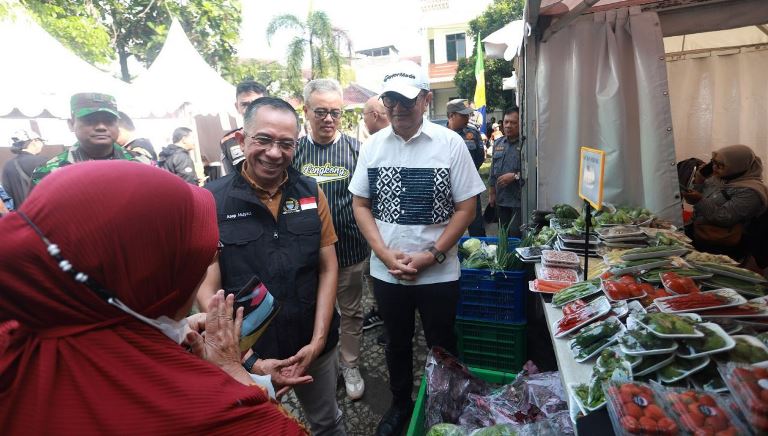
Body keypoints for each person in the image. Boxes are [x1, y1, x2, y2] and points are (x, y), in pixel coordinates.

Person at [0, 161, 307, 434]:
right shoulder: (223, 417)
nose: (211, 259)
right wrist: (233, 373)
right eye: (198, 257)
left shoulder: (17, 336)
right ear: (149, 276)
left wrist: (167, 335)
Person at [349, 61, 485, 436]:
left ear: (425, 100)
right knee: (396, 343)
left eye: (406, 100)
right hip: (388, 272)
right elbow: (360, 204)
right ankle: (400, 404)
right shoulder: (372, 147)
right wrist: (382, 253)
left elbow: (466, 208)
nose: (397, 108)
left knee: (442, 343)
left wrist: (433, 255)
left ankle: (447, 404)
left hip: (438, 272)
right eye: (390, 100)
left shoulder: (450, 144)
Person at [200, 97, 345, 435]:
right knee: (255, 427)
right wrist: (248, 359)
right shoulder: (211, 200)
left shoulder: (310, 192)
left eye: (286, 144)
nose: (274, 153)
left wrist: (318, 341)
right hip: (246, 356)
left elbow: (327, 267)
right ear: (241, 140)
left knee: (327, 422)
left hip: (313, 344)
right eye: (263, 140)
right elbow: (207, 289)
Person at [293, 79, 369, 401]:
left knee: (351, 312)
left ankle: (350, 364)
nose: (328, 119)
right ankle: (321, 364)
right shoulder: (294, 151)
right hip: (308, 255)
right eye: (321, 111)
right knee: (314, 313)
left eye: (335, 112)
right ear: (306, 111)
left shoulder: (356, 150)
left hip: (350, 250)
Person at [31, 93, 151, 185]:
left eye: (109, 120)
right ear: (71, 124)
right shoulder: (48, 173)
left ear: (117, 124)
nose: (101, 127)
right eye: (90, 120)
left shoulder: (143, 163)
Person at [682, 144, 768, 260]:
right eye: (713, 162)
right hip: (698, 233)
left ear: (737, 166)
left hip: (723, 246)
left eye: (720, 165)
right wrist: (699, 180)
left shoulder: (751, 191)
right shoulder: (719, 178)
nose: (714, 168)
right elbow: (692, 200)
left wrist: (699, 200)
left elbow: (724, 218)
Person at [360, 95, 389, 341]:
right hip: (375, 232)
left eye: (364, 116)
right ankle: (385, 314)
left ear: (375, 115)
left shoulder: (379, 145)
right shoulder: (371, 147)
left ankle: (389, 319)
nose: (364, 122)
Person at [447, 98, 486, 237]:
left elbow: (480, 158)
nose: (467, 118)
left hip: (469, 187)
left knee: (476, 226)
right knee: (447, 227)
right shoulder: (440, 136)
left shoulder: (473, 133)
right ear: (451, 115)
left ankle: (480, 249)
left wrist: (465, 174)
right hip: (446, 188)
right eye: (463, 115)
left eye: (468, 115)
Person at [489, 107, 524, 237]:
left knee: (515, 234)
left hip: (519, 201)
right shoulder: (498, 143)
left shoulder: (527, 145)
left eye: (513, 122)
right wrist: (492, 192)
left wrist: (515, 176)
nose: (508, 126)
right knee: (503, 234)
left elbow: (534, 171)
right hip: (501, 199)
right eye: (506, 122)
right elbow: (493, 170)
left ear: (521, 123)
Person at [220, 80, 268, 175]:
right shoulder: (228, 141)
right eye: (245, 104)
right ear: (237, 107)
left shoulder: (283, 136)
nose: (250, 109)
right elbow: (228, 177)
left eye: (256, 103)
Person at [2, 130, 49, 207]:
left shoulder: (8, 165)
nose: (42, 145)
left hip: (21, 213)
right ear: (34, 141)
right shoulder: (43, 161)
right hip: (43, 211)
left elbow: (6, 194)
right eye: (41, 141)